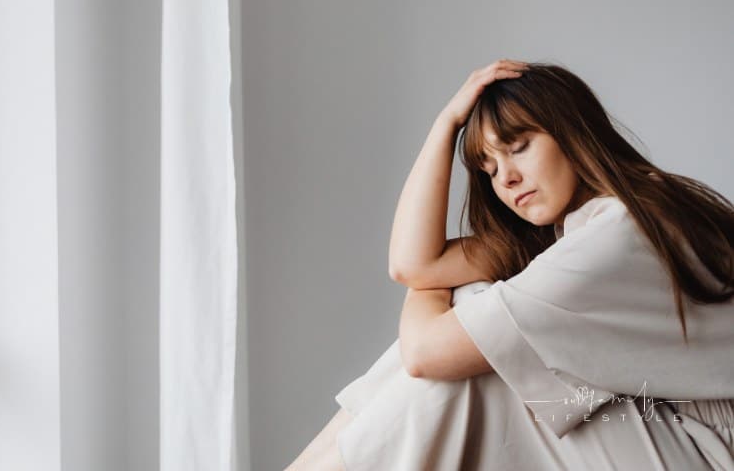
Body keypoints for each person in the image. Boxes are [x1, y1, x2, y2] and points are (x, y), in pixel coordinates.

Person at [285, 60, 734, 470]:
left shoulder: (620, 233)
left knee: (473, 352)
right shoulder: (579, 228)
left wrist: (431, 284)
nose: (506, 178)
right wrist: (445, 125)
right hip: (664, 426)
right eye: (487, 167)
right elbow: (412, 264)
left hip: (705, 451)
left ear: (572, 132)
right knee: (482, 343)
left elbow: (423, 351)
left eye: (518, 147)